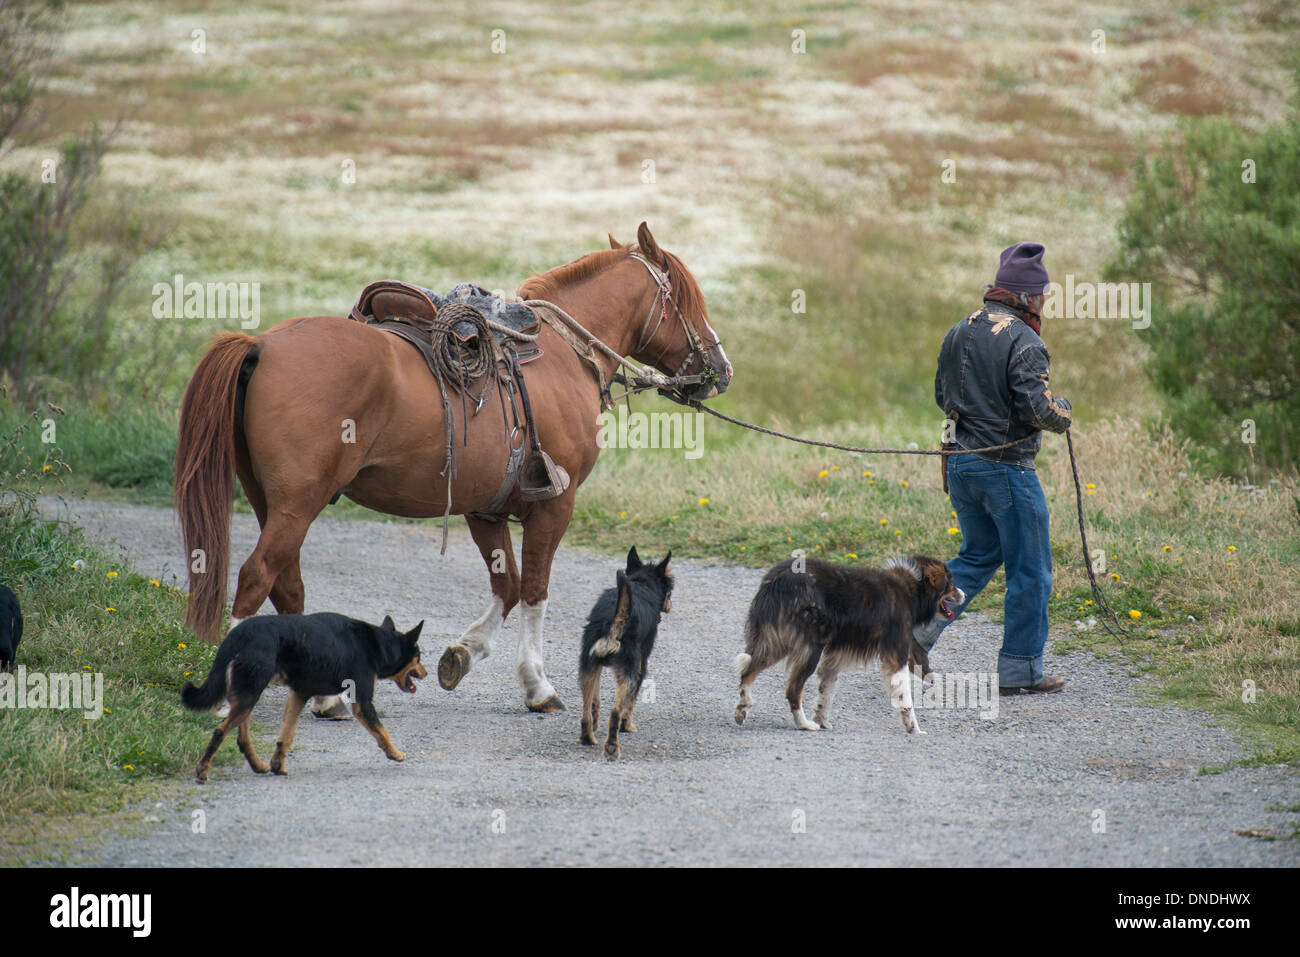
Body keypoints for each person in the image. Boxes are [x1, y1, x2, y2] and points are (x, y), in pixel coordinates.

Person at [921, 242, 1072, 694]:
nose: (1043, 303)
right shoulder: (1026, 341)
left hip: (962, 467)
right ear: (1027, 297)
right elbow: (1037, 409)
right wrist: (1064, 412)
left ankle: (914, 634)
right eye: (1041, 295)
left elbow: (941, 395)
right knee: (1031, 570)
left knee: (977, 556)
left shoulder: (958, 329)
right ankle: (1020, 670)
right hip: (1008, 471)